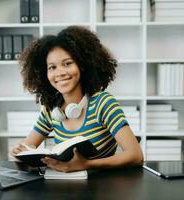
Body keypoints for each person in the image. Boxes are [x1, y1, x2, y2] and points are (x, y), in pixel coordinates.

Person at [11, 26, 144, 172]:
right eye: (52, 67)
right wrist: (20, 152)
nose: (59, 73)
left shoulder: (103, 103)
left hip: (102, 189)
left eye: (67, 64)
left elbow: (136, 155)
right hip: (64, 189)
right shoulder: (51, 110)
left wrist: (85, 164)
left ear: (82, 65)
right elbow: (27, 148)